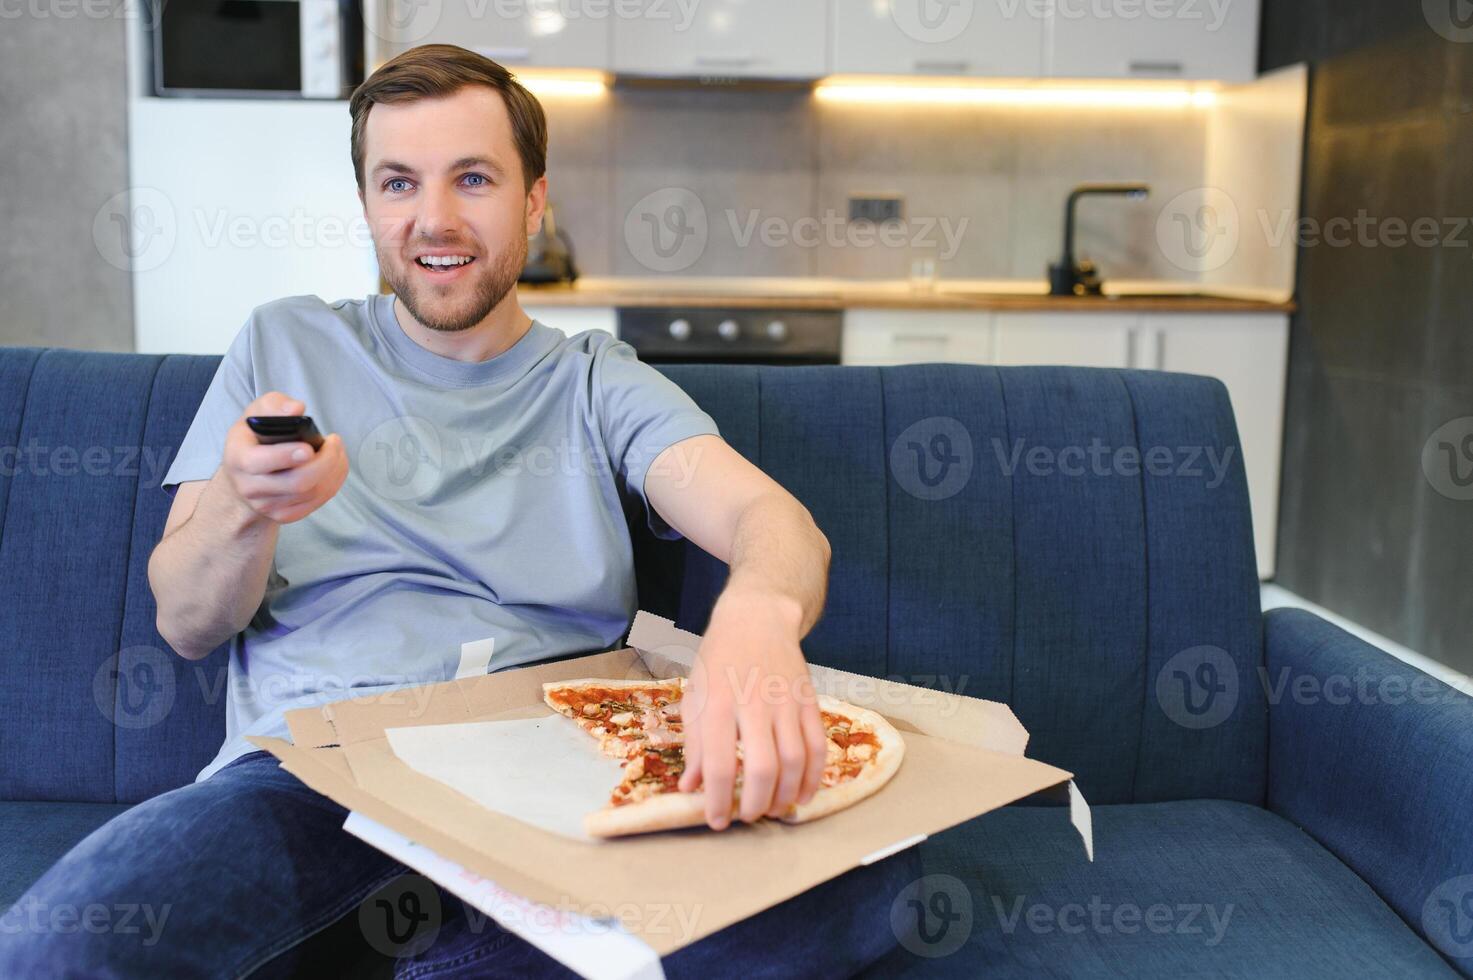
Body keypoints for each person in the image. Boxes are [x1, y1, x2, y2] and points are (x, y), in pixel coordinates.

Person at [0, 44, 917, 977]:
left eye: (472, 178)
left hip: (563, 772)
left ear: (533, 201)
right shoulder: (287, 343)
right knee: (60, 951)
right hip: (316, 777)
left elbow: (770, 519)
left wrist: (757, 621)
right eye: (398, 183)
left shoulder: (595, 380)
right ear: (367, 204)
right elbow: (186, 625)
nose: (433, 220)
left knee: (873, 877)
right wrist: (244, 503)